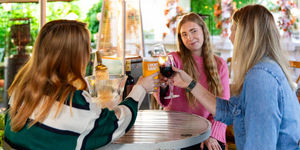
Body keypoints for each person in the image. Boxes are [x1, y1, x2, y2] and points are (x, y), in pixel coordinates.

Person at [4, 20, 159, 150]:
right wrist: (140, 89)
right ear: (72, 57)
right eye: (86, 48)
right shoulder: (73, 103)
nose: (90, 52)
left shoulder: (20, 92)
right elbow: (114, 124)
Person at [172, 4, 300, 149]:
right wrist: (190, 83)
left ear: (246, 34)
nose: (230, 36)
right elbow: (230, 111)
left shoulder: (260, 78)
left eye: (232, 29)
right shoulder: (264, 67)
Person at [155, 12, 230, 150]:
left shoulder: (220, 64)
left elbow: (223, 107)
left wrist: (210, 134)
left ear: (203, 31)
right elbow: (163, 102)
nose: (189, 37)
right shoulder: (173, 60)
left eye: (193, 31)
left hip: (207, 129)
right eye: (184, 34)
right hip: (176, 130)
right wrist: (164, 87)